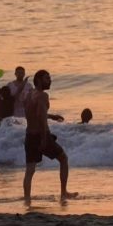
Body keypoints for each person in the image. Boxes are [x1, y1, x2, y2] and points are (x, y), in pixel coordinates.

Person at [19, 69, 70, 206]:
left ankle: (27, 199)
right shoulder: (43, 96)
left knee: (30, 170)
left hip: (29, 135)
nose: (50, 80)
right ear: (39, 80)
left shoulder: (30, 94)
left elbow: (33, 114)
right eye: (47, 78)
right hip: (42, 135)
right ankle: (64, 192)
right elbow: (41, 118)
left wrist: (51, 116)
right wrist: (43, 139)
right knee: (63, 159)